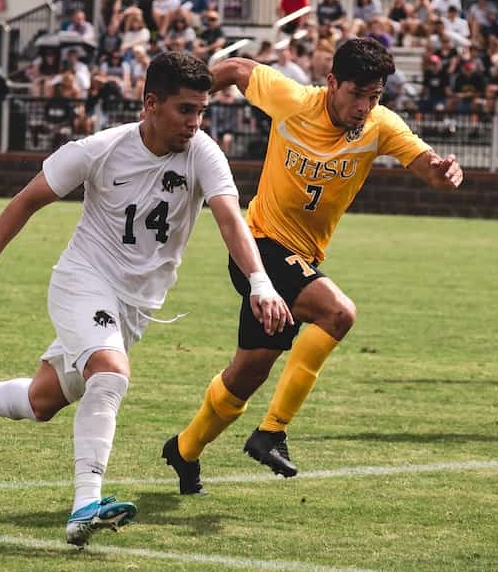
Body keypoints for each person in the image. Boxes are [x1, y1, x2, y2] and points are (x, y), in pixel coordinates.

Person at [0, 51, 292, 546]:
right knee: (111, 374)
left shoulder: (203, 152)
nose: (195, 123)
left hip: (135, 307)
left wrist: (261, 281)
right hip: (83, 281)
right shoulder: (98, 149)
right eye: (185, 110)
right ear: (150, 103)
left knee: (42, 401)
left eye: (201, 111)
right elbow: (26, 201)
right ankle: (85, 506)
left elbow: (230, 219)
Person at [160, 38, 462, 495]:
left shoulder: (380, 126)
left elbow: (424, 165)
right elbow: (240, 69)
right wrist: (190, 100)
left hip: (300, 259)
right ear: (332, 83)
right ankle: (272, 431)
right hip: (259, 247)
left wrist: (441, 173)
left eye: (374, 97)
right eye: (356, 94)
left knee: (245, 377)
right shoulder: (295, 101)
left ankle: (183, 450)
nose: (364, 107)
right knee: (338, 313)